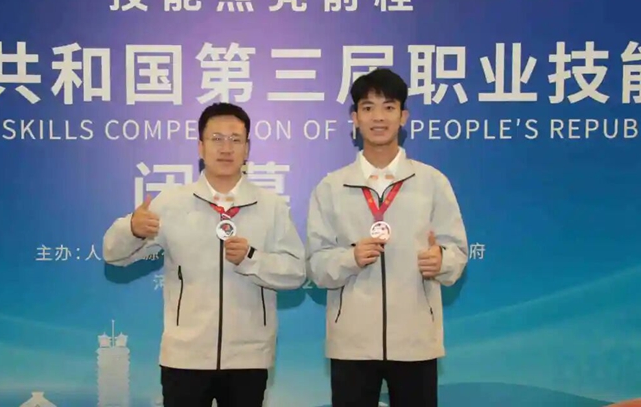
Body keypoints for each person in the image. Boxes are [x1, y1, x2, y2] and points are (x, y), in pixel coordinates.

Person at [102, 102, 307, 407]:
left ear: (247, 148)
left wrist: (251, 258)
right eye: (216, 139)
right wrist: (132, 228)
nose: (226, 148)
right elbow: (113, 255)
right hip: (185, 357)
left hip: (248, 358)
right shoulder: (171, 203)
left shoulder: (271, 206)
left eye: (235, 139)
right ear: (200, 146)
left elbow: (296, 272)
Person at [306, 68, 468, 406]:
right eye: (368, 108)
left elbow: (457, 252)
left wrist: (441, 261)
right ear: (355, 118)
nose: (378, 117)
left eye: (389, 107)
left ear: (403, 117)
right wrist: (349, 258)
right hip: (351, 344)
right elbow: (316, 266)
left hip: (415, 341)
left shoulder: (431, 182)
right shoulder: (331, 187)